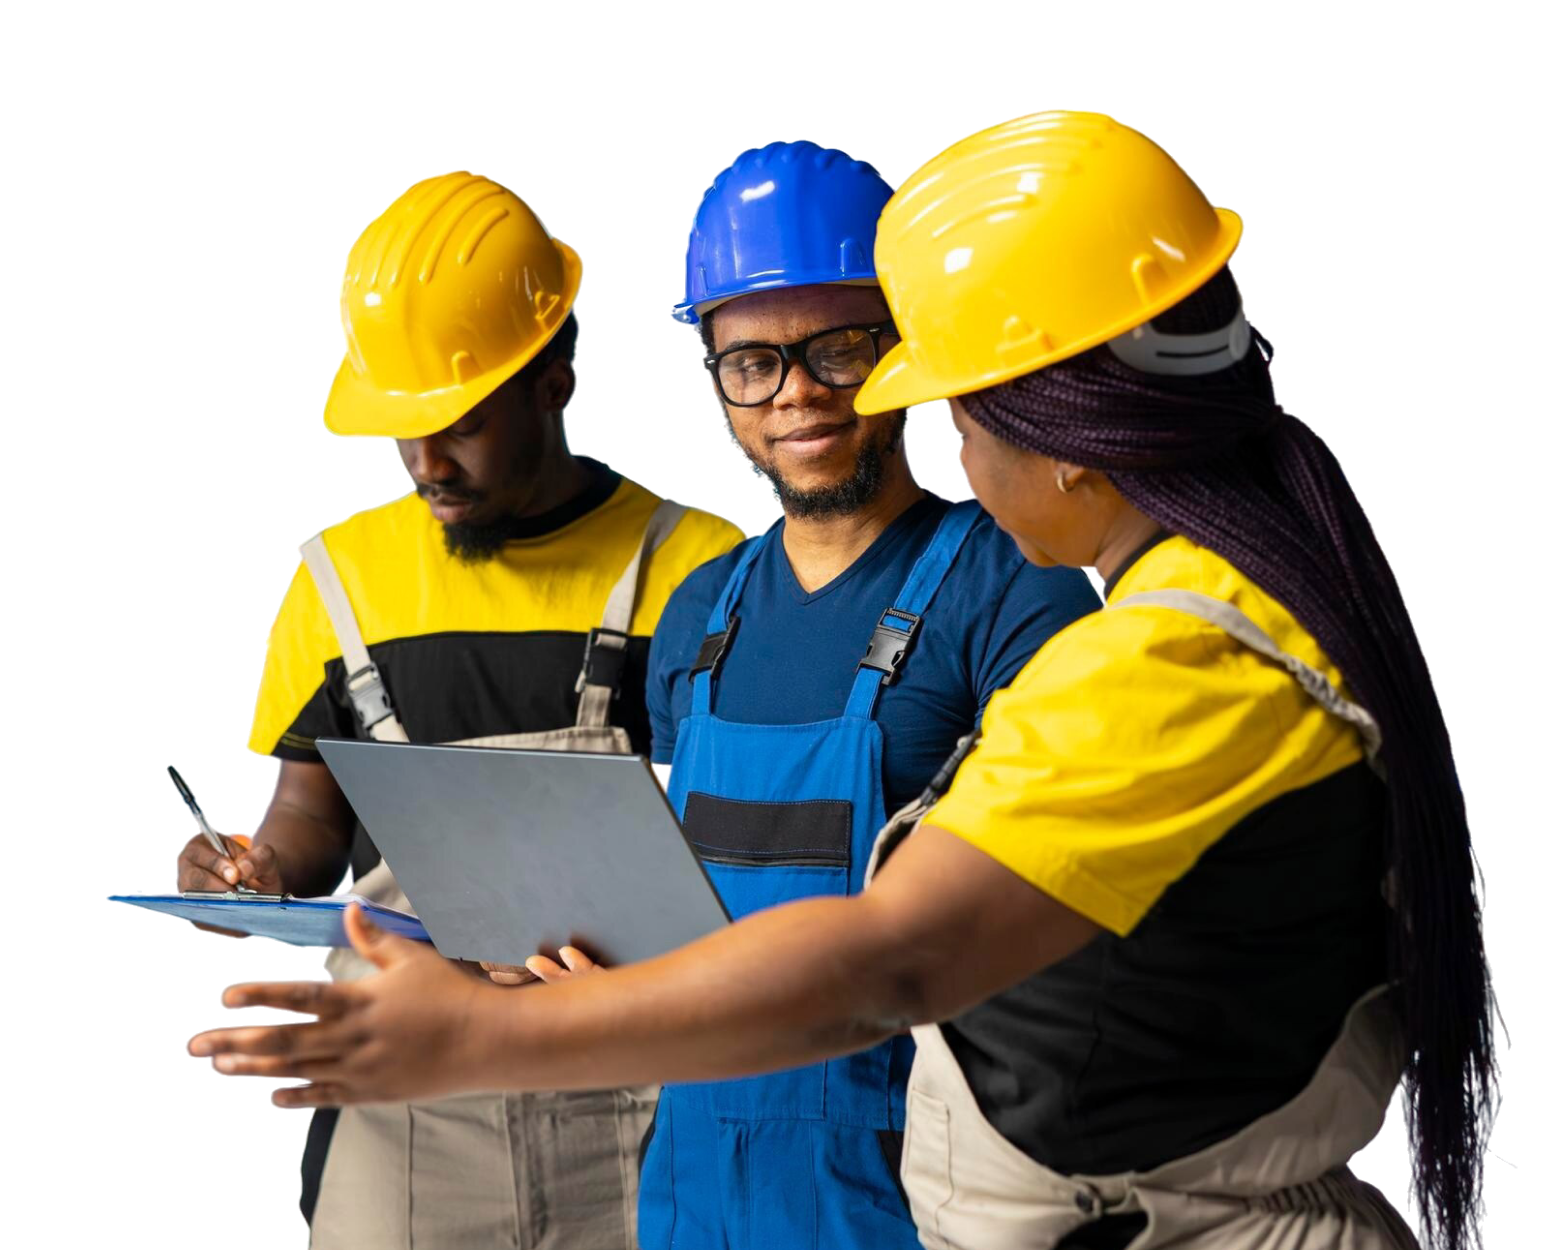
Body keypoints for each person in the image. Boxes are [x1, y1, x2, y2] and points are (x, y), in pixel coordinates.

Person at [186, 113, 1501, 1250]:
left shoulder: (1159, 650)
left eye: (925, 389)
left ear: (1056, 427)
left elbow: (897, 957)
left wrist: (479, 1041)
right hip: (716, 1146)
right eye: (751, 362)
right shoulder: (1233, 598)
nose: (805, 399)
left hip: (1004, 1189)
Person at [173, 168, 745, 1249]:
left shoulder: (702, 566)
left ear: (554, 380)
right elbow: (308, 820)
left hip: (638, 1090)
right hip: (403, 1103)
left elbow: (741, 848)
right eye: (403, 429)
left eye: (461, 424)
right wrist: (247, 871)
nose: (427, 463)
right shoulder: (339, 577)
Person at [611, 138, 1099, 1250]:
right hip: (691, 1179)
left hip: (919, 1186)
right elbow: (677, 919)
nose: (798, 395)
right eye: (752, 363)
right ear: (714, 378)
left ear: (908, 348)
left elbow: (1051, 936)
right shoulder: (698, 613)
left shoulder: (1017, 586)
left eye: (840, 347)